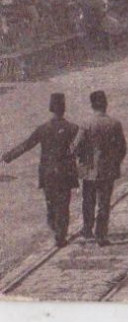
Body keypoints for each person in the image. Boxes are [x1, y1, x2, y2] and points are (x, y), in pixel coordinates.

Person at [3, 93, 79, 247]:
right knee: (63, 205)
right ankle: (60, 235)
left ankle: (55, 228)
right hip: (65, 173)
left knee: (51, 204)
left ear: (51, 108)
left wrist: (7, 156)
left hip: (48, 173)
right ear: (64, 109)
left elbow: (26, 145)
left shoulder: (43, 129)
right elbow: (82, 148)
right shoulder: (73, 128)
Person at [74, 90, 126, 246]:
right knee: (104, 203)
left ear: (92, 105)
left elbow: (76, 146)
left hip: (89, 170)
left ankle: (87, 229)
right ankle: (101, 234)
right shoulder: (115, 124)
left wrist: (82, 159)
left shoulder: (86, 124)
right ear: (106, 104)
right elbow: (122, 148)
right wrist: (114, 162)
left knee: (88, 201)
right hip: (107, 170)